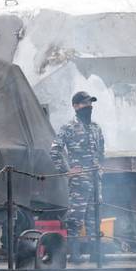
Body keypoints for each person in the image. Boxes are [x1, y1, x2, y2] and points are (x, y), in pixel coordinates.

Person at [49, 90, 105, 261]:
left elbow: (101, 151)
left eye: (90, 103)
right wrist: (66, 171)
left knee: (95, 220)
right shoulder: (68, 127)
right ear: (75, 106)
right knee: (75, 220)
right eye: (85, 103)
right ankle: (74, 255)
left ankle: (97, 257)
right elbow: (55, 151)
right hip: (79, 182)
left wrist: (99, 168)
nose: (89, 106)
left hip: (96, 181)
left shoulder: (96, 127)